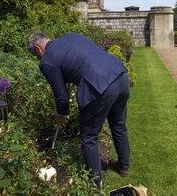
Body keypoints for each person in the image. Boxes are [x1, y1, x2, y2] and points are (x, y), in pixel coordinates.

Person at [27, 32, 130, 187]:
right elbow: (79, 63)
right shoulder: (71, 36)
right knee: (118, 125)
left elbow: (61, 96)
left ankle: (95, 185)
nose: (38, 59)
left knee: (89, 137)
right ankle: (123, 167)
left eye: (36, 55)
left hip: (100, 85)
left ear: (38, 48)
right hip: (120, 75)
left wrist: (61, 114)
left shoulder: (47, 61)